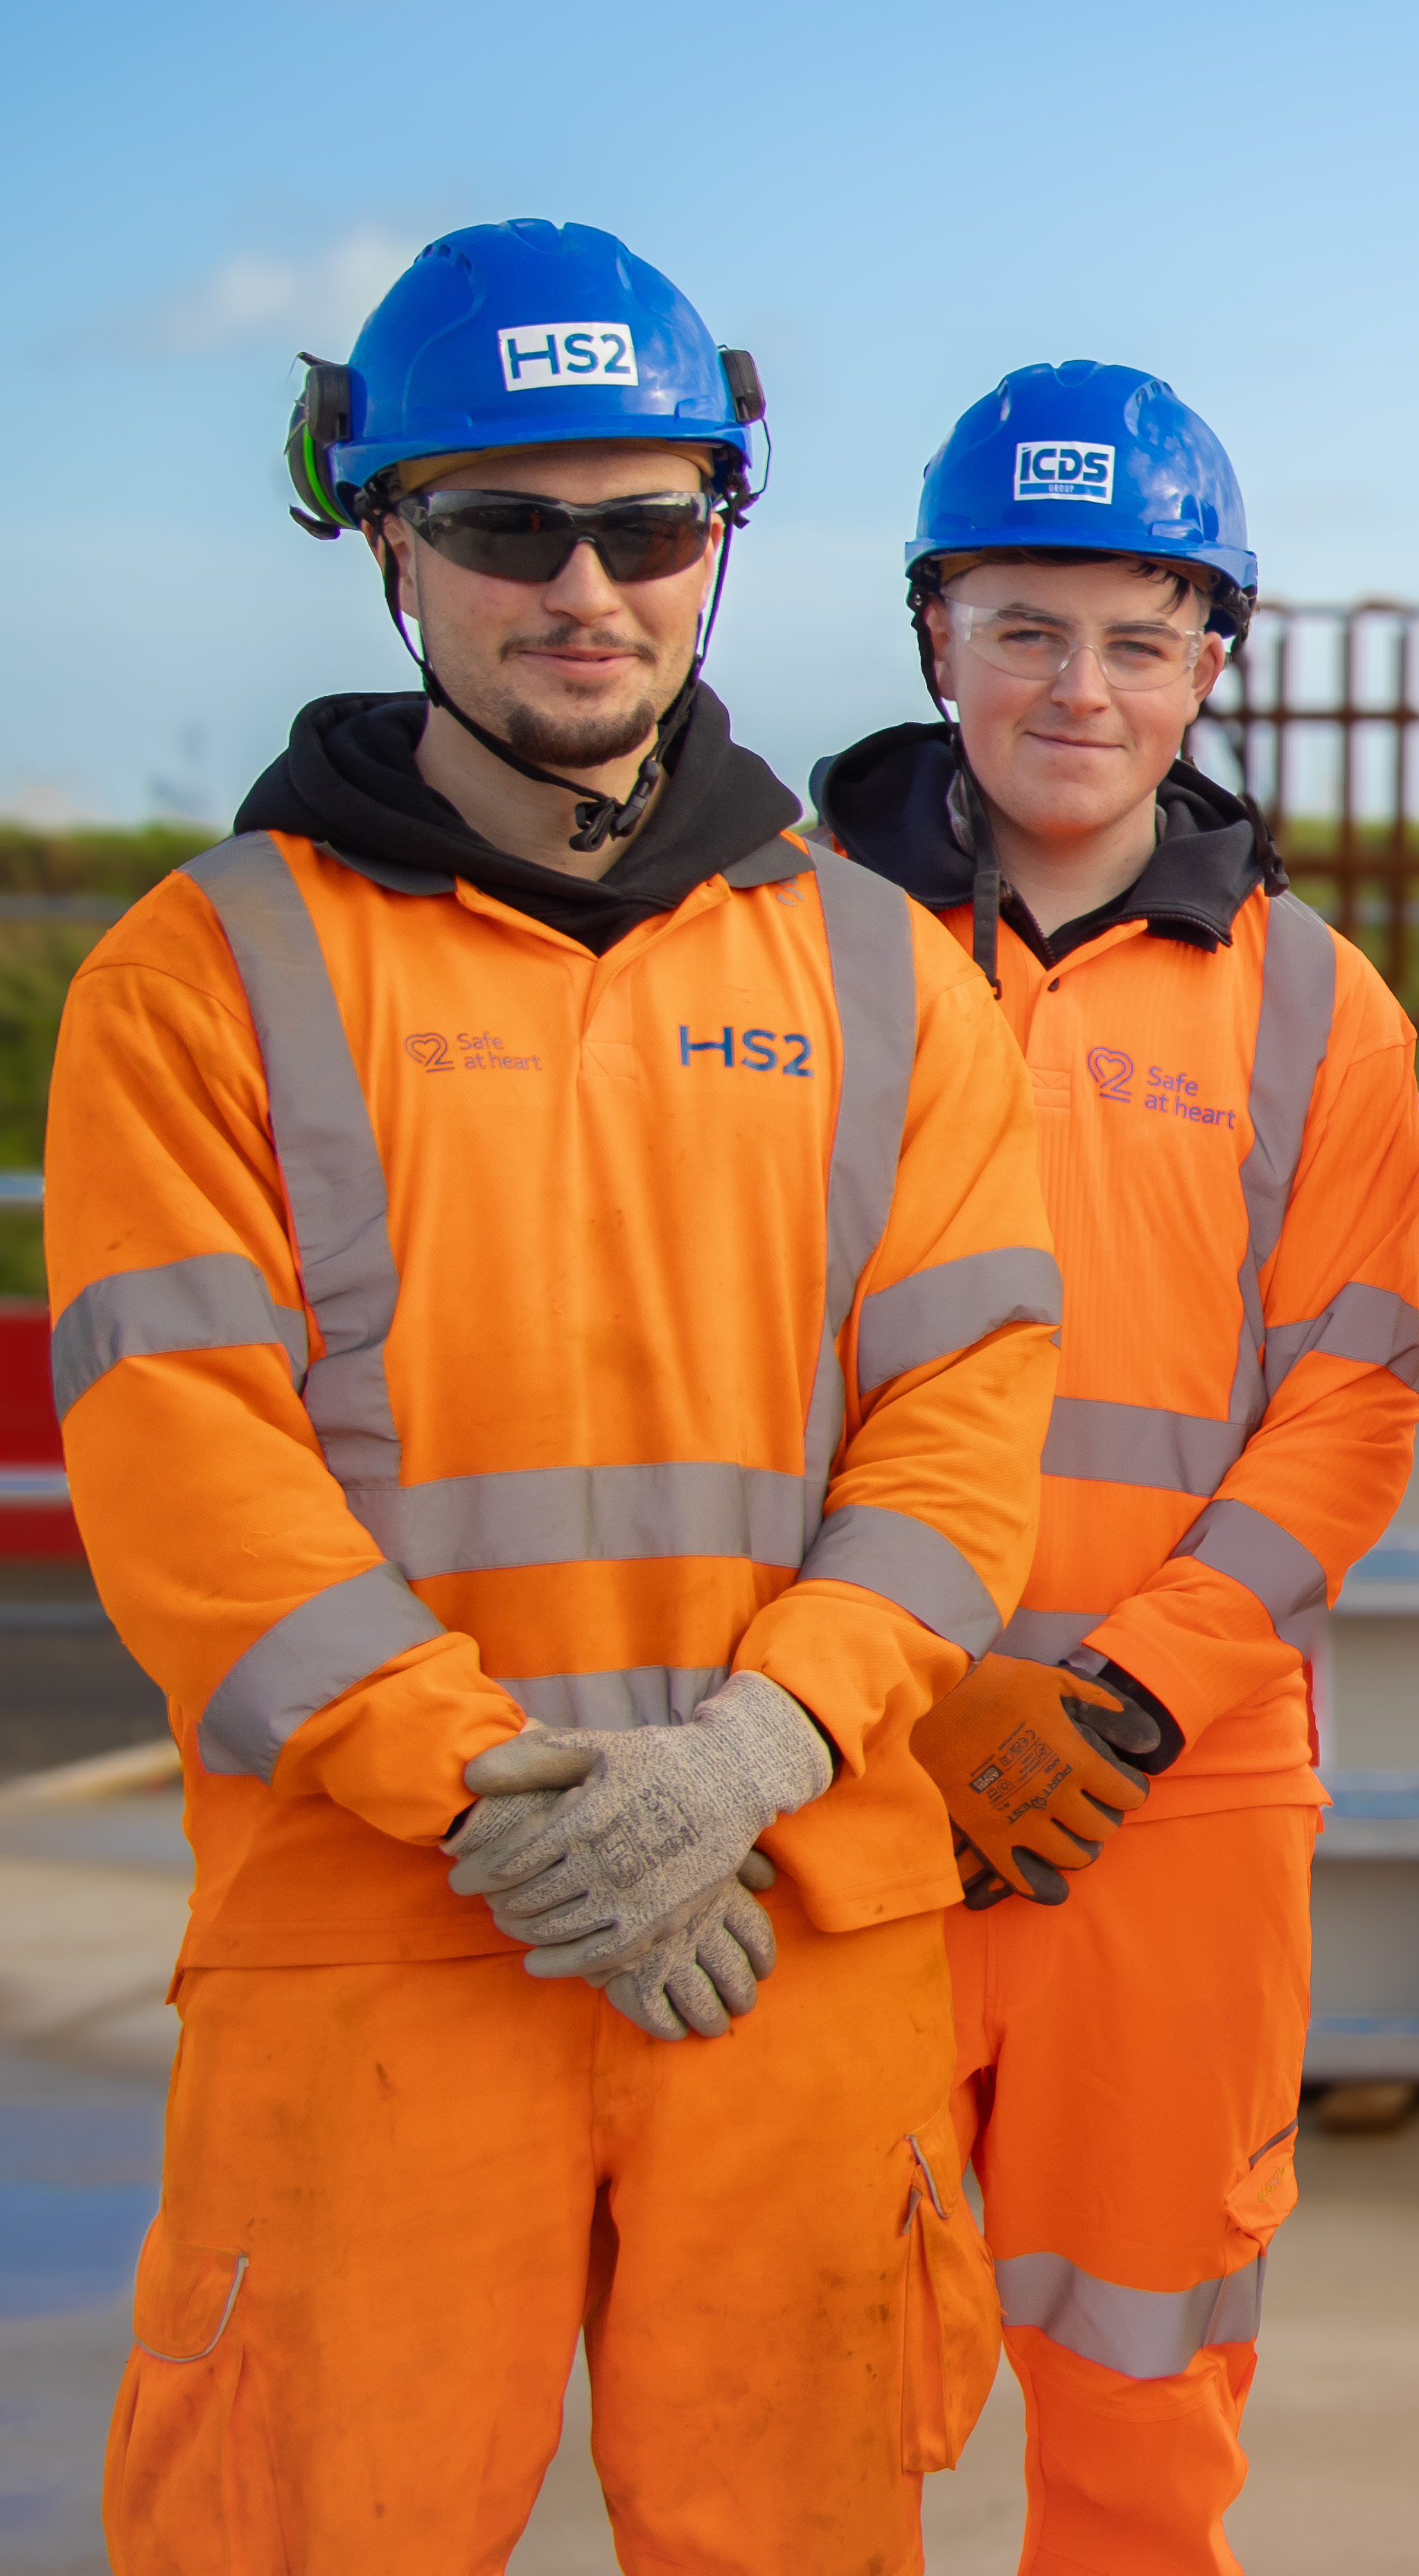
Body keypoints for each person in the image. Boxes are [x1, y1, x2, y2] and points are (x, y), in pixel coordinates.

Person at [55, 218, 1057, 2569]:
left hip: (789, 1916)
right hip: (383, 1937)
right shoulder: (204, 978)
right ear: (387, 545)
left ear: (723, 535)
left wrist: (758, 1754)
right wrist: (498, 1802)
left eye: (648, 524)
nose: (586, 588)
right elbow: (188, 1463)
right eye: (510, 526)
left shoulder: (886, 980)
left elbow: (967, 1416)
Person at [813, 360, 1419, 2570]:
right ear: (934, 637)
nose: (1081, 690)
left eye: (1139, 639)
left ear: (1212, 660)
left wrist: (1126, 1700)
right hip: (840, 1771)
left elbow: (1351, 1403)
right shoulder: (776, 952)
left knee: (1146, 2393)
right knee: (802, 2394)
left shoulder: (1318, 1011)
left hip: (1175, 1800)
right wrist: (882, 1689)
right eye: (1025, 630)